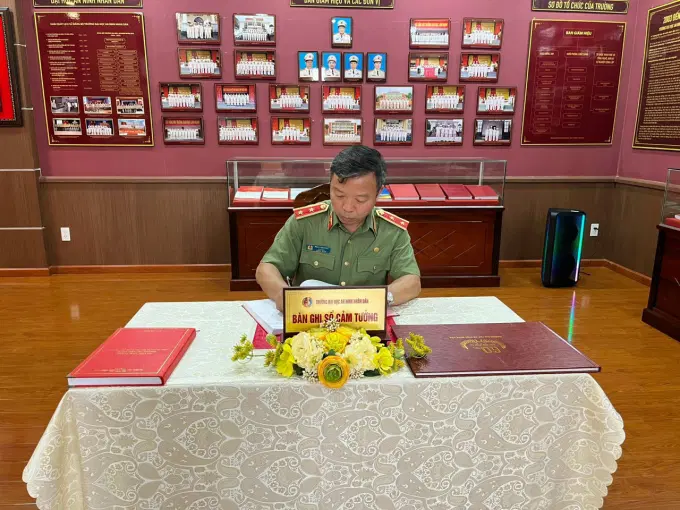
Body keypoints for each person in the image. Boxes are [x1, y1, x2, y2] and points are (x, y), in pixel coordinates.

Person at [256, 146, 421, 311]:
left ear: (378, 193)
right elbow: (267, 269)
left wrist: (381, 299)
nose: (347, 207)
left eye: (360, 199)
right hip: (310, 315)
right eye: (339, 195)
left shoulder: (392, 231)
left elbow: (411, 281)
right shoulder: (305, 222)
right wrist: (282, 295)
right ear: (330, 186)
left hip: (364, 317)